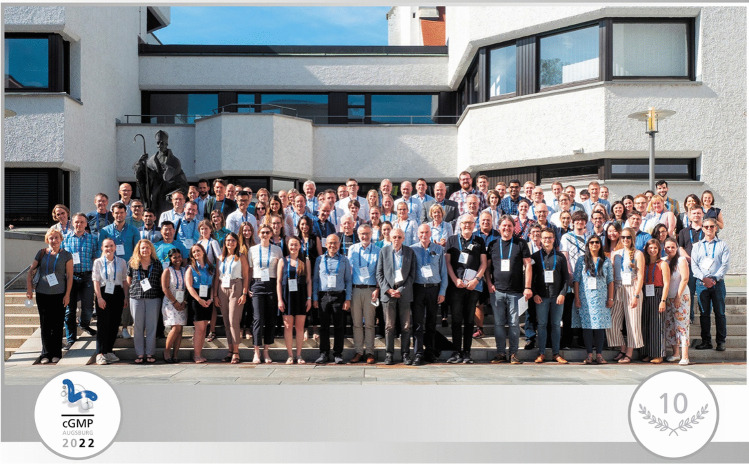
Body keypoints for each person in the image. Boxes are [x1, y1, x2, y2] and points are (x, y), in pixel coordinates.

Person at [487, 215, 532, 364]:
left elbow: (528, 265)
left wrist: (527, 287)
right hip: (497, 291)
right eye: (504, 226)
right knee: (499, 323)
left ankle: (513, 353)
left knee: (514, 323)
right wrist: (489, 283)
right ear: (499, 228)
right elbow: (487, 268)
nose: (506, 228)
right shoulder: (493, 244)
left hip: (516, 291)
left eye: (509, 226)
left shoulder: (521, 243)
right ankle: (500, 353)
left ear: (514, 228)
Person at [26, 228, 73, 364]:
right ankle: (45, 354)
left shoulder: (66, 255)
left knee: (57, 324)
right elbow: (30, 271)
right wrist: (29, 289)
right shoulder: (41, 253)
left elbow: (69, 276)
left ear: (61, 239)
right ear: (47, 240)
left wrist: (67, 294)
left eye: (56, 237)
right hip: (42, 293)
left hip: (59, 294)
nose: (54, 240)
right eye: (51, 238)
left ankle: (56, 353)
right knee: (45, 324)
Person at [445, 214, 487, 364]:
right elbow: (447, 263)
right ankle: (456, 351)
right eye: (465, 223)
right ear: (460, 224)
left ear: (474, 225)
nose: (467, 225)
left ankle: (467, 352)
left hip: (472, 287)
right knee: (456, 319)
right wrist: (455, 280)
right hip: (456, 286)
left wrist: (476, 280)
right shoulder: (451, 240)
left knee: (469, 320)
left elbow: (483, 263)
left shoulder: (479, 241)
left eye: (470, 222)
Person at [376, 228, 416, 365]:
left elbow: (412, 275)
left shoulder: (410, 252)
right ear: (390, 237)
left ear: (403, 238)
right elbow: (379, 274)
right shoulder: (384, 251)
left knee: (406, 326)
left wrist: (400, 290)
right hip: (388, 295)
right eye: (394, 237)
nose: (396, 240)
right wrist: (388, 290)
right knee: (389, 326)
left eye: (399, 237)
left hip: (404, 294)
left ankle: (405, 354)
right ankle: (389, 354)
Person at [410, 224, 448, 365]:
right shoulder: (412, 249)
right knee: (418, 323)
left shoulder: (438, 249)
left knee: (431, 323)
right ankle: (418, 353)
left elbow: (443, 272)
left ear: (430, 233)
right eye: (421, 232)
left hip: (434, 289)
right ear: (418, 234)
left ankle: (430, 351)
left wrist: (442, 291)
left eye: (426, 232)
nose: (424, 235)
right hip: (418, 289)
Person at [606, 228, 645, 364]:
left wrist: (636, 295)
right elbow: (611, 274)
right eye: (623, 237)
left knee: (632, 322)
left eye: (628, 237)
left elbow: (640, 276)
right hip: (618, 288)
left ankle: (629, 353)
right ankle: (622, 348)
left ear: (632, 238)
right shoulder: (616, 254)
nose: (625, 240)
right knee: (612, 322)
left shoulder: (638, 254)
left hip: (632, 288)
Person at [573, 236, 614, 365]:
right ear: (588, 245)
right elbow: (576, 280)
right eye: (592, 242)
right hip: (586, 298)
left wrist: (610, 298)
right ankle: (589, 355)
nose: (594, 244)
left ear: (600, 245)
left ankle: (599, 355)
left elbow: (610, 281)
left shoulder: (606, 261)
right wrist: (577, 298)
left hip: (601, 298)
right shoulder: (581, 260)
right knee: (587, 327)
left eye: (597, 242)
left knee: (600, 327)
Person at [312, 234, 352, 364]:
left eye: (335, 243)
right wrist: (315, 298)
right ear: (326, 244)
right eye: (330, 243)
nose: (332, 245)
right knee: (324, 326)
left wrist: (348, 299)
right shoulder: (319, 259)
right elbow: (315, 280)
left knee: (339, 326)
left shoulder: (344, 260)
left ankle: (338, 353)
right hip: (323, 296)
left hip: (339, 296)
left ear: (339, 245)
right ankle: (324, 353)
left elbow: (348, 280)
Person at [61, 212, 99, 350]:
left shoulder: (92, 239)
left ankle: (84, 324)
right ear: (72, 223)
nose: (79, 224)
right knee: (70, 310)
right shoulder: (65, 239)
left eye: (82, 222)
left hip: (87, 276)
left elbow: (96, 257)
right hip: (71, 277)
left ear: (86, 224)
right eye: (77, 222)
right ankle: (71, 339)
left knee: (88, 307)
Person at [531, 227, 569, 363]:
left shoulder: (560, 257)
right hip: (541, 297)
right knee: (541, 325)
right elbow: (530, 278)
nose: (547, 240)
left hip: (557, 296)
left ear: (554, 239)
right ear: (540, 239)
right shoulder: (535, 257)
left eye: (550, 237)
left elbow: (566, 278)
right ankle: (541, 353)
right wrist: (534, 294)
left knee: (556, 325)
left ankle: (556, 353)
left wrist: (562, 294)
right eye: (545, 237)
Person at [691, 218, 730, 351]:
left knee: (720, 313)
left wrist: (714, 278)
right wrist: (704, 278)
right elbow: (694, 266)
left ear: (716, 228)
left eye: (711, 226)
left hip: (717, 283)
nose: (709, 229)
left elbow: (725, 265)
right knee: (704, 314)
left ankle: (721, 341)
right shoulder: (697, 246)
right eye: (706, 226)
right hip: (701, 283)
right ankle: (706, 341)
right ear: (702, 228)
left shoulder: (722, 245)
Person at [247, 225, 284, 363]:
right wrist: (247, 287)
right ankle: (256, 351)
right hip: (257, 284)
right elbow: (250, 270)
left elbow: (280, 270)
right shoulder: (252, 250)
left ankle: (266, 351)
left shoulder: (277, 249)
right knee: (257, 318)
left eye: (267, 232)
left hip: (272, 284)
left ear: (271, 234)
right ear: (258, 234)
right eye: (262, 232)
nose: (265, 234)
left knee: (270, 319)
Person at [345, 224, 381, 364]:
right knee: (357, 323)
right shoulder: (352, 249)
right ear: (358, 235)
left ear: (371, 234)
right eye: (362, 234)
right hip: (355, 289)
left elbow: (379, 272)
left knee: (370, 323)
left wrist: (377, 289)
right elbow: (349, 272)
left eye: (367, 233)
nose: (364, 236)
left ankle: (370, 352)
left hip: (370, 290)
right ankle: (359, 351)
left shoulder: (377, 250)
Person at [133, 130, 188, 216]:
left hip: (168, 197)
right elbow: (144, 177)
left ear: (166, 144)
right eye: (158, 143)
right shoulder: (151, 161)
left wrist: (171, 195)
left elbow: (182, 183)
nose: (160, 145)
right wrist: (140, 164)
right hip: (155, 196)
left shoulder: (174, 161)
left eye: (162, 143)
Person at [92, 238, 129, 365]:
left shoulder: (122, 262)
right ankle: (100, 353)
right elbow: (96, 281)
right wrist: (99, 297)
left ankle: (109, 351)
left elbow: (124, 281)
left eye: (111, 246)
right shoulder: (98, 262)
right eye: (106, 246)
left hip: (117, 292)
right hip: (103, 293)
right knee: (103, 324)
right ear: (102, 248)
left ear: (115, 247)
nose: (109, 248)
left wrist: (125, 297)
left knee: (114, 323)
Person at [215, 233, 250, 364]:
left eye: (233, 240)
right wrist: (215, 295)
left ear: (237, 242)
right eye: (228, 240)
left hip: (236, 286)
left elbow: (246, 276)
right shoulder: (220, 258)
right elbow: (217, 277)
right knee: (226, 321)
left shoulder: (241, 257)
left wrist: (244, 293)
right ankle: (230, 350)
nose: (230, 243)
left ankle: (236, 351)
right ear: (225, 242)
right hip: (222, 287)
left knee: (233, 320)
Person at [277, 236, 312, 364]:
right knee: (287, 326)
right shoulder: (282, 261)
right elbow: (278, 281)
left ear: (300, 246)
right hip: (287, 297)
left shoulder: (305, 261)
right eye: (291, 244)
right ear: (288, 246)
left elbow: (308, 281)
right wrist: (280, 299)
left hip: (301, 296)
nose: (294, 247)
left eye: (296, 244)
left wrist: (309, 298)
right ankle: (290, 355)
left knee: (300, 327)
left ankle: (299, 355)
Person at [127, 239, 164, 364]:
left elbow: (160, 281)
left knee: (151, 327)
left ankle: (149, 353)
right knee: (138, 326)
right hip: (136, 298)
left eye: (147, 248)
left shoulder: (157, 264)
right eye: (142, 248)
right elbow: (128, 280)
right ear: (138, 250)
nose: (145, 250)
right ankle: (139, 353)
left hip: (153, 298)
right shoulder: (132, 263)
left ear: (151, 249)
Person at [559, 210, 589, 349]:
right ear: (573, 222)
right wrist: (569, 274)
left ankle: (583, 340)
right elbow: (564, 256)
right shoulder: (566, 237)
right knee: (568, 311)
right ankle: (567, 341)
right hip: (571, 277)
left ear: (585, 222)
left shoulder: (589, 237)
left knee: (584, 310)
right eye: (577, 220)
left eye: (582, 220)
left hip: (585, 279)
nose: (580, 222)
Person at [184, 243, 215, 364]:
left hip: (207, 297)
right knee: (199, 329)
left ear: (203, 252)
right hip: (196, 299)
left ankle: (200, 353)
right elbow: (189, 286)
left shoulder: (210, 267)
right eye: (194, 252)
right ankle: (196, 355)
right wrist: (199, 299)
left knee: (204, 328)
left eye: (198, 250)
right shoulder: (190, 268)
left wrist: (211, 298)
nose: (196, 253)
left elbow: (212, 285)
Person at [641, 239, 670, 363]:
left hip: (658, 293)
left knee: (657, 325)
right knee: (646, 324)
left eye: (655, 248)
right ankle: (648, 352)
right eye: (650, 248)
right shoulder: (645, 263)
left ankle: (658, 354)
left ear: (659, 250)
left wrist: (663, 300)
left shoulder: (662, 264)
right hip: (646, 293)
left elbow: (667, 283)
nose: (652, 250)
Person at [664, 237, 691, 365]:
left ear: (677, 248)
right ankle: (676, 353)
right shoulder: (664, 261)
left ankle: (685, 356)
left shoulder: (681, 260)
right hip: (668, 297)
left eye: (672, 247)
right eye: (668, 247)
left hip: (680, 296)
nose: (670, 249)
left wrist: (678, 296)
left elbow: (685, 279)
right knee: (670, 325)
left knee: (682, 325)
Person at [677, 207, 705, 323]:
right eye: (694, 213)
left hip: (703, 267)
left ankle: (705, 317)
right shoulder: (683, 232)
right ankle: (690, 317)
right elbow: (680, 248)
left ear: (702, 214)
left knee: (703, 293)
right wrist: (690, 260)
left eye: (698, 213)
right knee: (690, 292)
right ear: (689, 215)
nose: (696, 215)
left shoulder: (707, 230)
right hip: (689, 266)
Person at [160, 248, 187, 363]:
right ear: (170, 259)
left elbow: (188, 286)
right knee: (175, 327)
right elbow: (165, 288)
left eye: (179, 256)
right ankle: (166, 352)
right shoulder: (167, 270)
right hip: (170, 302)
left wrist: (184, 301)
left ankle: (175, 355)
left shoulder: (185, 270)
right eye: (174, 257)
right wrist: (175, 302)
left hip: (182, 301)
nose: (177, 259)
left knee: (180, 329)